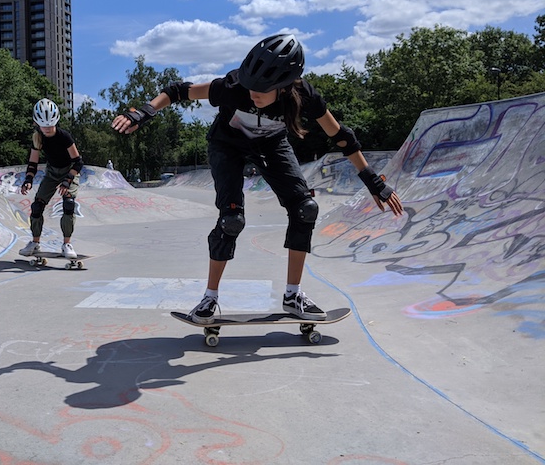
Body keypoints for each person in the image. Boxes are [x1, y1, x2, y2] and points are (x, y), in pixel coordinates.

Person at [111, 33, 403, 323]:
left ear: (284, 86)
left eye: (261, 91)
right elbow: (177, 91)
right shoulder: (233, 86)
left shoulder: (305, 96)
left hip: (272, 145)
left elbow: (341, 137)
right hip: (227, 145)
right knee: (231, 219)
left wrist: (373, 182)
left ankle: (293, 295)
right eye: (250, 87)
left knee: (305, 208)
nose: (252, 94)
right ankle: (209, 298)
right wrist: (143, 112)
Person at [18, 98, 84, 259]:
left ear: (56, 121)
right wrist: (28, 180)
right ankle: (35, 242)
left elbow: (78, 162)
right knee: (37, 206)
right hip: (52, 173)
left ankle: (67, 243)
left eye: (50, 125)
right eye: (43, 126)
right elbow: (33, 163)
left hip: (70, 171)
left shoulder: (64, 137)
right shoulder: (37, 138)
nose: (47, 129)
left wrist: (68, 180)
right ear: (36, 124)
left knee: (68, 203)